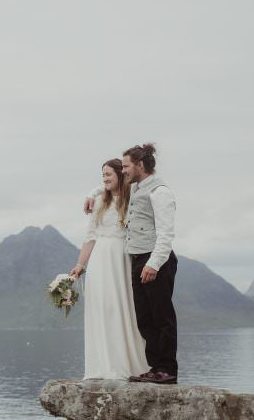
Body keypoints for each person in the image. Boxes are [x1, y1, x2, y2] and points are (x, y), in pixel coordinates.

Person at [83, 143, 178, 384]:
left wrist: (154, 264)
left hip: (155, 260)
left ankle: (166, 369)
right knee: (144, 319)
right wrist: (91, 194)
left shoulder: (160, 192)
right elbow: (109, 185)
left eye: (126, 166)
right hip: (137, 259)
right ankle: (154, 367)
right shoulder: (135, 188)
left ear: (140, 165)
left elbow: (166, 234)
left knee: (162, 317)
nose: (123, 170)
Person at [69, 158, 149, 380]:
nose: (104, 179)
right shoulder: (99, 202)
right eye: (102, 175)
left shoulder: (131, 197)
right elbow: (90, 237)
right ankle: (101, 366)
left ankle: (126, 364)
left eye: (108, 174)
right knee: (100, 308)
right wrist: (79, 265)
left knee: (121, 307)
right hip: (99, 260)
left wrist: (91, 191)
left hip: (121, 258)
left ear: (121, 175)